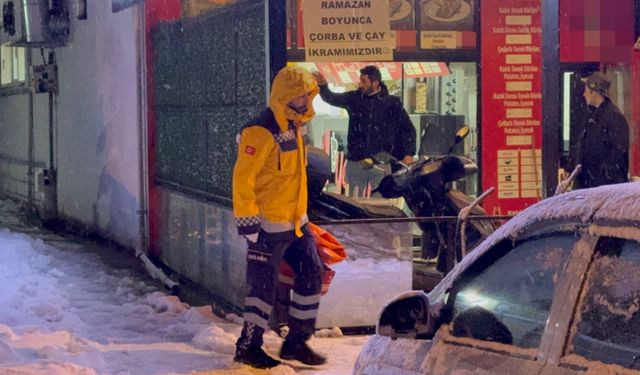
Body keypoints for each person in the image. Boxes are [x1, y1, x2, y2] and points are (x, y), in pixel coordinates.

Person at [232, 66, 326, 369]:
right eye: (302, 94)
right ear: (286, 95)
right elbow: (243, 178)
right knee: (261, 290)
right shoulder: (260, 130)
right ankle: (248, 347)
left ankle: (296, 342)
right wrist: (248, 221)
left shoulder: (293, 124)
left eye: (308, 94)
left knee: (312, 273)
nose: (306, 100)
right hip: (267, 227)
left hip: (296, 223)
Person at [312, 65, 416, 197]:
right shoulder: (354, 98)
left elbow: (408, 129)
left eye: (363, 81)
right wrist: (323, 87)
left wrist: (409, 153)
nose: (359, 84)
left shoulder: (392, 103)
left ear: (375, 83)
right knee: (354, 201)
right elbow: (332, 98)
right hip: (357, 160)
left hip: (381, 160)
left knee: (381, 202)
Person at [574, 71, 630, 189]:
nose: (584, 94)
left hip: (603, 189)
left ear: (594, 92)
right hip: (592, 186)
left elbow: (618, 156)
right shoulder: (592, 115)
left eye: (586, 90)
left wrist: (602, 178)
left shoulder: (614, 118)